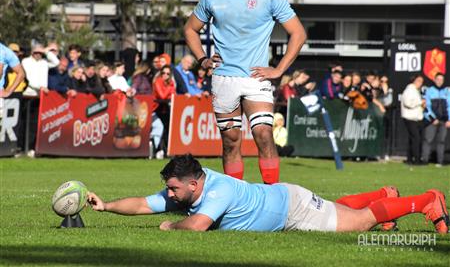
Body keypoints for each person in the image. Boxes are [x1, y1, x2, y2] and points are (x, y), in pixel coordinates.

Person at [183, 0, 307, 184]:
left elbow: (299, 33)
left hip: (255, 78)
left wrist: (280, 69)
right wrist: (203, 59)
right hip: (223, 78)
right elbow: (190, 29)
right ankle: (236, 199)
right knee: (231, 141)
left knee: (263, 134)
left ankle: (273, 197)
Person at [87, 154, 449, 234]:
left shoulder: (218, 191)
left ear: (194, 185)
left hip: (294, 210)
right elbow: (142, 204)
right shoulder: (189, 187)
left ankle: (427, 201)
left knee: (359, 224)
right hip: (285, 200)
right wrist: (104, 207)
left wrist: (169, 228)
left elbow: (195, 227)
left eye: (173, 188)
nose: (168, 193)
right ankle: (384, 194)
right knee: (349, 213)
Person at [421, 73, 450, 167]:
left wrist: (449, 120)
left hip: (444, 120)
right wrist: (433, 119)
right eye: (438, 79)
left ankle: (440, 161)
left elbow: (449, 107)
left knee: (441, 141)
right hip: (432, 121)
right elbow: (426, 107)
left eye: (441, 79)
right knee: (428, 140)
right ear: (434, 79)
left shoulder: (446, 91)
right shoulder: (429, 91)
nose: (440, 81)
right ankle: (425, 160)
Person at [400, 74, 425, 165]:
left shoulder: (415, 91)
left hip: (416, 118)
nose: (420, 83)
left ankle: (410, 159)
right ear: (413, 81)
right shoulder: (409, 90)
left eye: (421, 82)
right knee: (416, 139)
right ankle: (417, 159)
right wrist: (420, 102)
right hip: (410, 118)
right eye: (418, 81)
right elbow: (408, 103)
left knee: (413, 139)